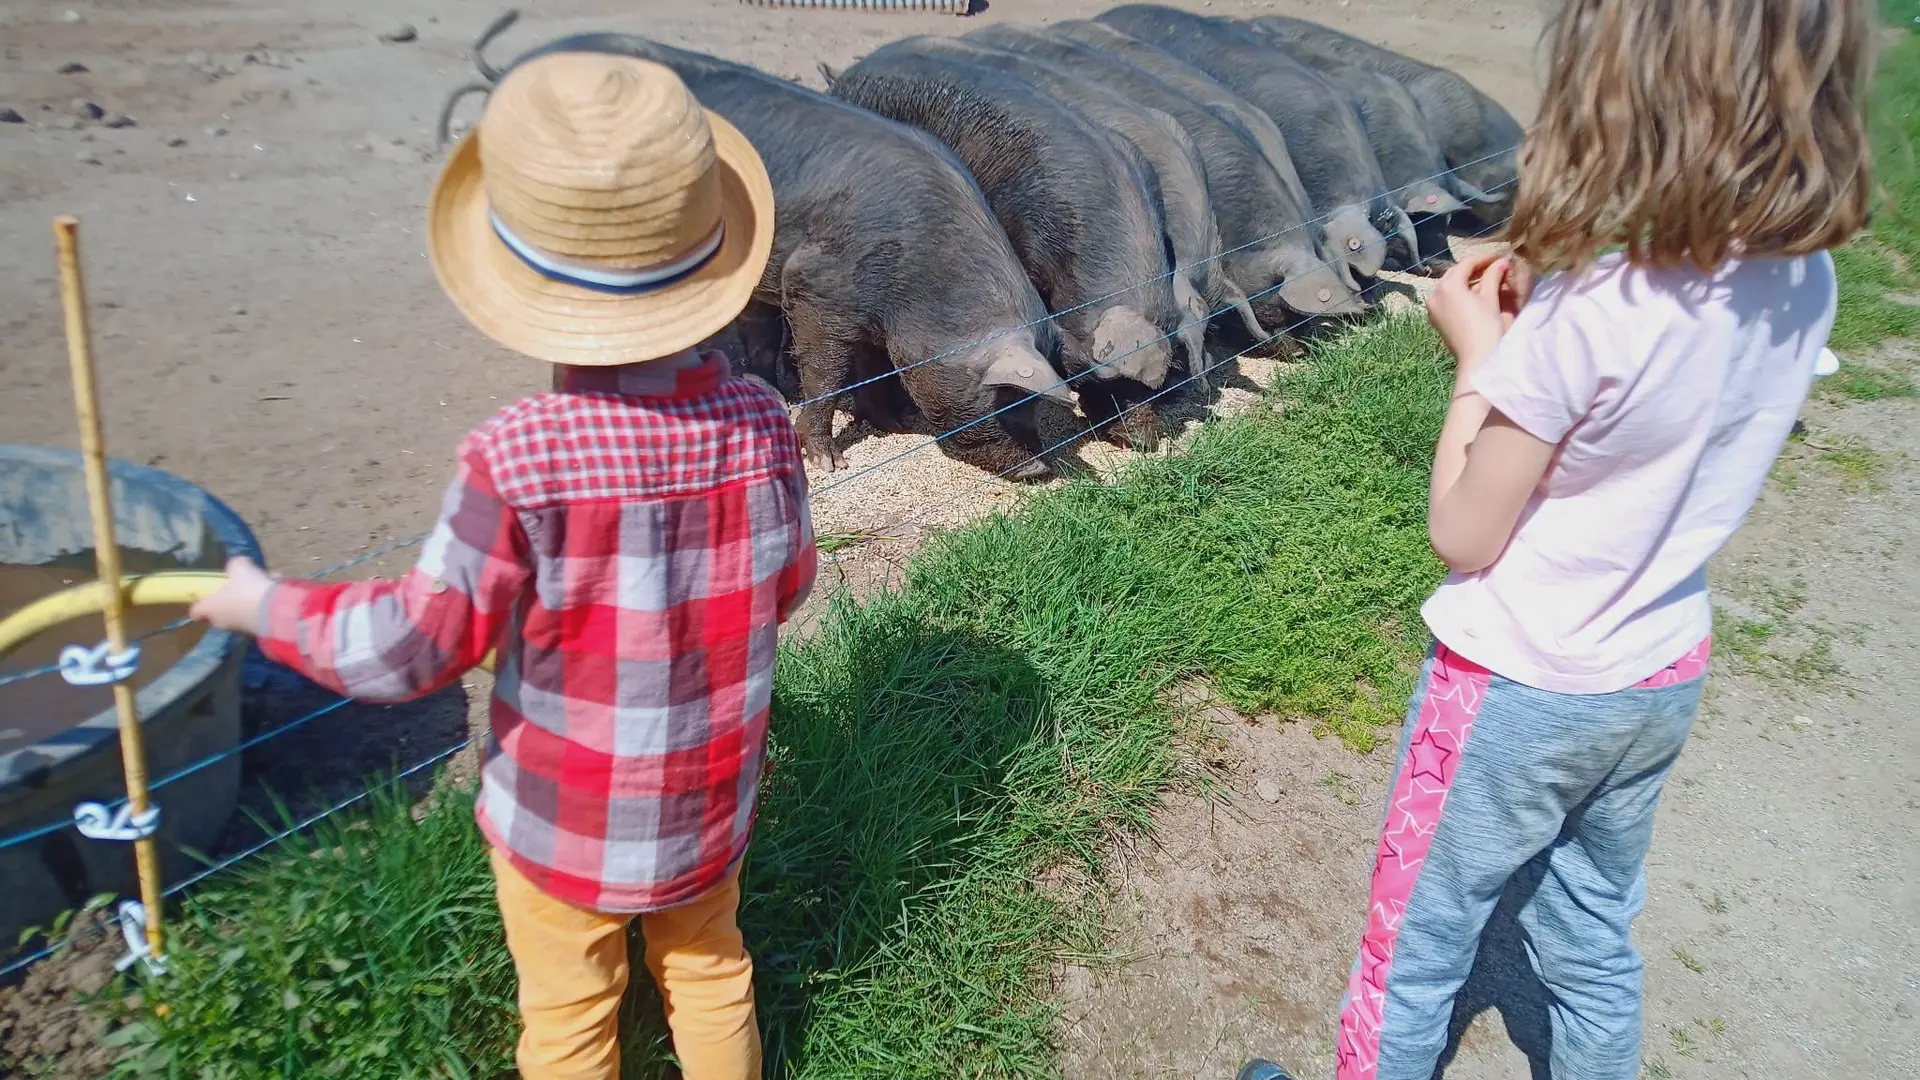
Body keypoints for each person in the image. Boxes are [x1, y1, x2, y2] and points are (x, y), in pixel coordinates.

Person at [1239, 1, 1874, 1078]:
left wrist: (1482, 356)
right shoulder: (1801, 280)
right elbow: (1679, 397)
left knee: (1418, 938)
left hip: (1519, 684)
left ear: (1615, 94)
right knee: (1589, 928)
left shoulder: (1591, 314)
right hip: (1659, 667)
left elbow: (1463, 531)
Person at [191, 52, 816, 1080]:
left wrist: (265, 604)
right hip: (709, 803)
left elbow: (409, 652)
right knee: (710, 969)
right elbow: (789, 585)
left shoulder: (519, 456)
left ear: (521, 277)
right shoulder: (759, 424)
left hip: (561, 829)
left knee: (570, 1013)